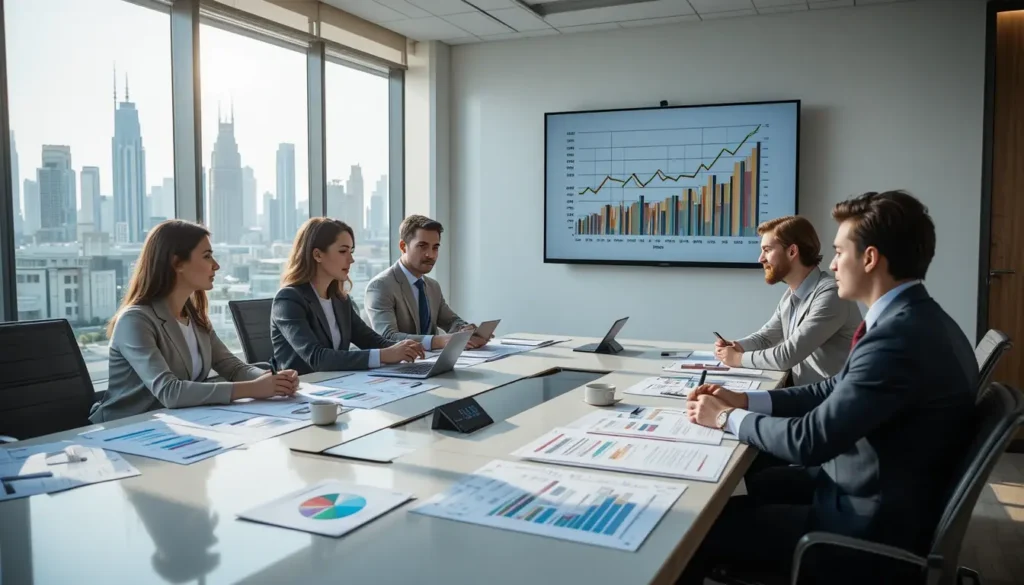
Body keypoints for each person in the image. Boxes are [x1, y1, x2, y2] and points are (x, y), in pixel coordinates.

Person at [680, 191, 978, 584]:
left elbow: (811, 440)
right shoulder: (917, 320)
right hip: (879, 489)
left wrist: (726, 418)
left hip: (861, 528)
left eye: (839, 252)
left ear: (869, 259)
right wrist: (743, 398)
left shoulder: (898, 339)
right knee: (757, 483)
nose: (833, 264)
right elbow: (828, 389)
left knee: (697, 528)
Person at [90, 220, 298, 423]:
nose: (216, 266)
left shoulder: (195, 317)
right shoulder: (135, 320)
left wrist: (275, 380)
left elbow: (233, 368)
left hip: (178, 424)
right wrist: (254, 388)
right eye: (207, 256)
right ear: (177, 263)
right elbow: (169, 392)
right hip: (123, 430)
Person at [715, 216, 861, 385]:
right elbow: (766, 338)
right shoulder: (792, 294)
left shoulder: (831, 294)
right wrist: (737, 346)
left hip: (830, 401)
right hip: (805, 394)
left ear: (792, 251)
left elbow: (787, 355)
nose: (760, 259)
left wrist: (738, 359)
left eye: (767, 250)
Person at [271, 217, 424, 374]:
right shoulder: (289, 299)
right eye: (343, 251)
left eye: (351, 252)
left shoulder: (340, 300)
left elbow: (370, 340)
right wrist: (385, 355)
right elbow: (317, 358)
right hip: (303, 390)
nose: (351, 259)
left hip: (337, 384)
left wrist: (408, 348)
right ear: (317, 255)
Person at [364, 215, 485, 350]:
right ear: (403, 246)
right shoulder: (381, 286)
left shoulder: (432, 286)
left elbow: (451, 321)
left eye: (435, 248)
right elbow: (388, 336)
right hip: (398, 367)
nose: (431, 255)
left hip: (434, 363)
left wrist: (467, 331)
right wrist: (439, 341)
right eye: (422, 246)